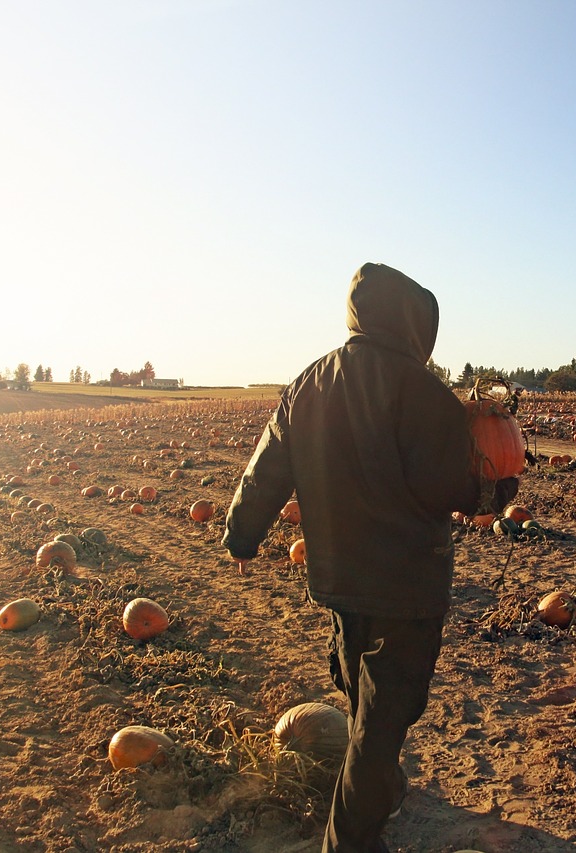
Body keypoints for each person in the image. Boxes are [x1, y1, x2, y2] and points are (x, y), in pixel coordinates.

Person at [222, 262, 518, 853]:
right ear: (413, 323)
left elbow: (268, 466)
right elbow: (449, 487)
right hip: (407, 585)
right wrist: (495, 489)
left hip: (339, 578)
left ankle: (378, 795)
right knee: (380, 727)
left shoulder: (310, 381)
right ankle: (350, 842)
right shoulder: (423, 391)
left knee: (365, 707)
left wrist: (242, 535)